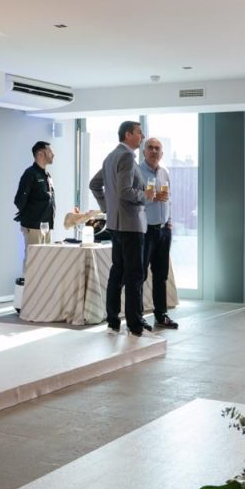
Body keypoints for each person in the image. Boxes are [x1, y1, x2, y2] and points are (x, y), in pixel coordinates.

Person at [89, 121, 152, 337]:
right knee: (134, 275)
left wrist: (108, 207)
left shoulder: (110, 157)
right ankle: (135, 325)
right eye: (139, 133)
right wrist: (146, 195)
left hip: (116, 225)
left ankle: (113, 321)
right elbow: (125, 191)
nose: (142, 136)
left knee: (117, 272)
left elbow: (94, 184)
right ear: (128, 134)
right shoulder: (126, 157)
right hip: (131, 224)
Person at [139, 138, 178, 329]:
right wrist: (152, 197)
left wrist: (169, 222)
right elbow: (134, 200)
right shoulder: (137, 172)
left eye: (157, 149)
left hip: (163, 230)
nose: (154, 151)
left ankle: (161, 315)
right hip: (145, 230)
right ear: (144, 152)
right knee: (140, 275)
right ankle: (137, 317)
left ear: (161, 154)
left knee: (161, 275)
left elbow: (168, 198)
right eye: (150, 148)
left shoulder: (165, 172)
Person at [13, 141, 55, 271]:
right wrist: (29, 219)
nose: (53, 154)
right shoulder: (30, 174)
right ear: (40, 154)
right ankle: (28, 284)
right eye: (50, 151)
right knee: (33, 261)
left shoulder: (47, 175)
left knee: (45, 262)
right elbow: (19, 200)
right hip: (33, 226)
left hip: (46, 226)